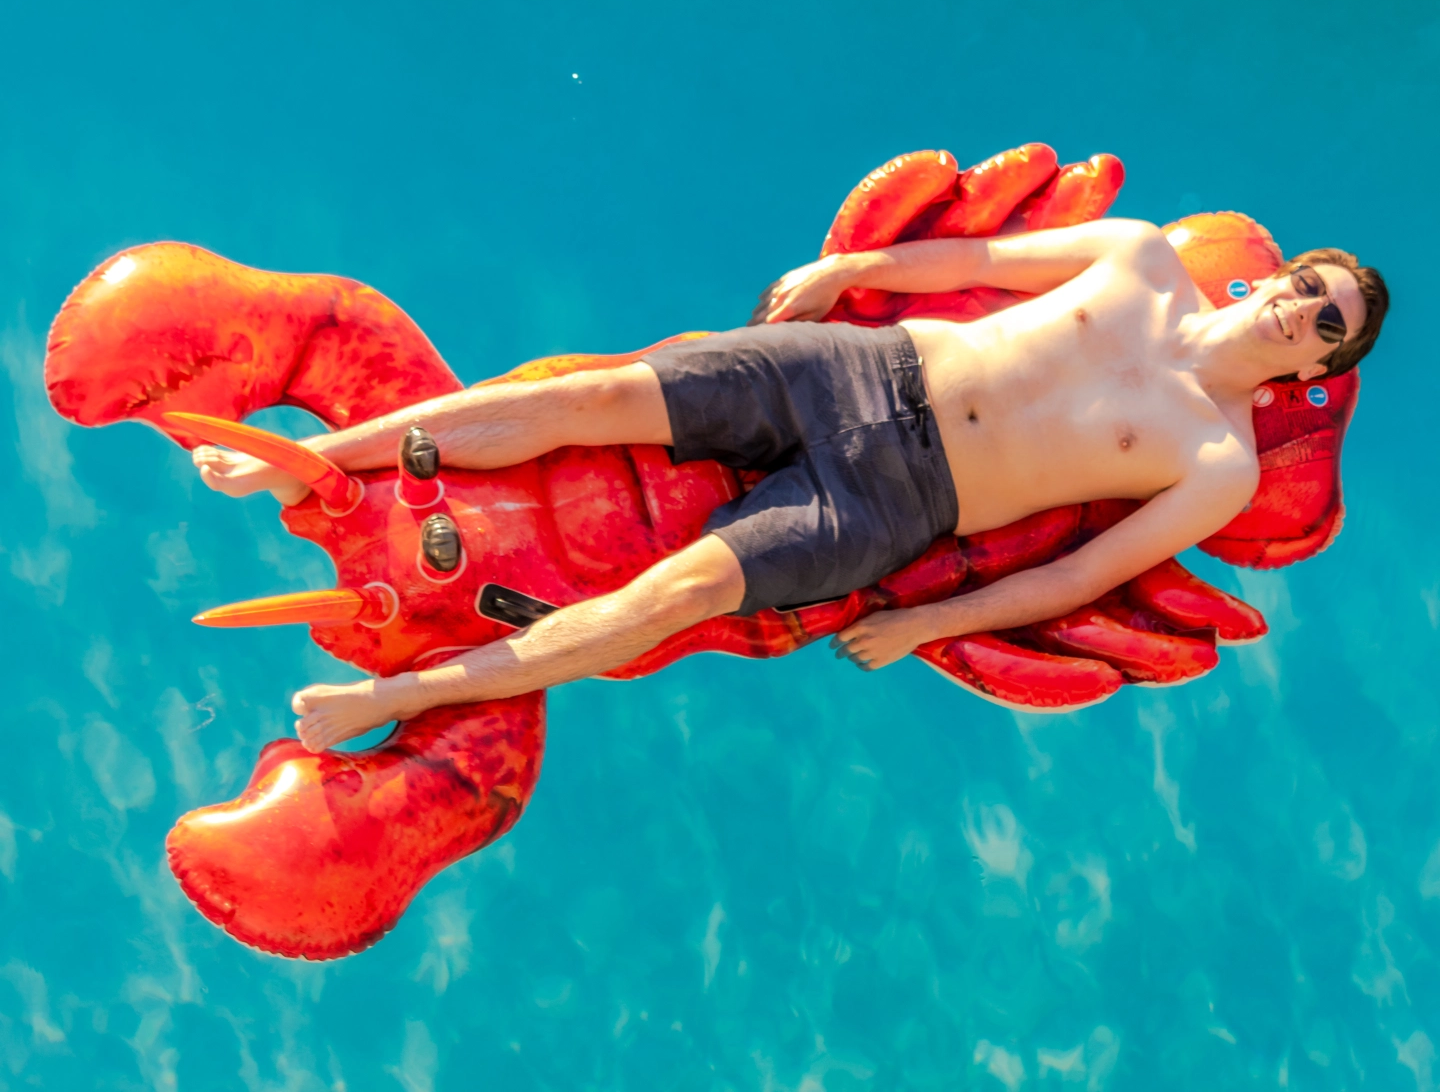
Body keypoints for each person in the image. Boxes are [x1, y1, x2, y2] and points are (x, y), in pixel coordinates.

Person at [192, 220, 1388, 751]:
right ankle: (296, 465)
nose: (1298, 304)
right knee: (598, 396)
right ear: (1269, 284)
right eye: (1304, 281)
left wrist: (927, 618)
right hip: (857, 370)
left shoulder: (1218, 461)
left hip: (897, 508)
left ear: (1318, 366)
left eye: (1322, 320)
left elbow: (1080, 571)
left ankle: (386, 700)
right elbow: (975, 262)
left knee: (670, 599)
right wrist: (848, 268)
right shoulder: (1141, 257)